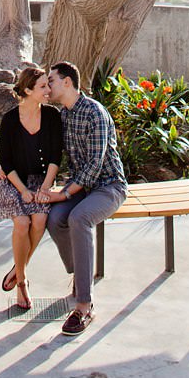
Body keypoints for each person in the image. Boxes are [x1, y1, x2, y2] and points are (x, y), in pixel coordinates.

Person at [41, 61, 127, 336]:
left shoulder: (95, 113)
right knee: (54, 219)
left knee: (79, 218)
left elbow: (94, 164)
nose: (49, 85)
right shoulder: (63, 116)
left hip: (108, 186)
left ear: (67, 82)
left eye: (51, 80)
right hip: (81, 188)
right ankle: (80, 277)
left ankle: (84, 305)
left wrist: (64, 193)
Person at [0, 64, 63, 310]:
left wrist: (44, 188)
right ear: (29, 90)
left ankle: (17, 268)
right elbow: (6, 162)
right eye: (43, 86)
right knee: (22, 222)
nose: (48, 90)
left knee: (39, 221)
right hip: (14, 181)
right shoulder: (10, 119)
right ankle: (22, 282)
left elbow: (55, 157)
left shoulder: (52, 116)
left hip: (40, 180)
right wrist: (23, 190)